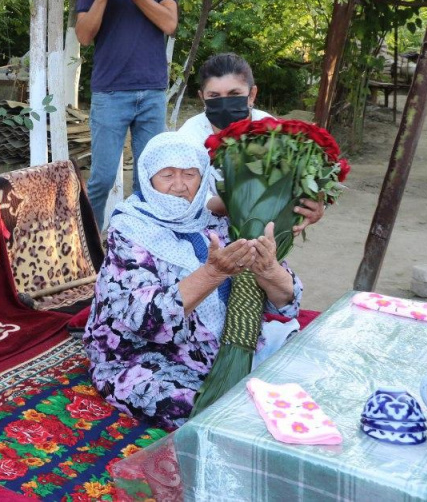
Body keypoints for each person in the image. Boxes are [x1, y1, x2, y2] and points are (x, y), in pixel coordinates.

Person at [82, 132, 302, 430]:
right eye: (167, 175)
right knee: (212, 409)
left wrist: (269, 269)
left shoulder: (217, 222)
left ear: (203, 179)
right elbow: (146, 319)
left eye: (189, 174)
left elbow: (287, 301)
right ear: (148, 178)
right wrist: (212, 274)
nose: (179, 186)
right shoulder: (129, 231)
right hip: (144, 356)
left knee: (303, 375)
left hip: (222, 345)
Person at [75, 0, 179, 228]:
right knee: (102, 179)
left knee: (148, 180)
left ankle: (141, 243)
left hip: (151, 90)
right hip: (110, 92)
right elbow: (83, 36)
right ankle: (88, 248)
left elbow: (169, 24)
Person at [178, 52, 324, 235]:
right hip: (201, 232)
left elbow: (293, 181)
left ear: (252, 94)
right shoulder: (187, 137)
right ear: (202, 98)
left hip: (263, 235)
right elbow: (181, 193)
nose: (224, 103)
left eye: (234, 94)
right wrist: (233, 205)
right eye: (214, 96)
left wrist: (309, 207)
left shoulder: (271, 130)